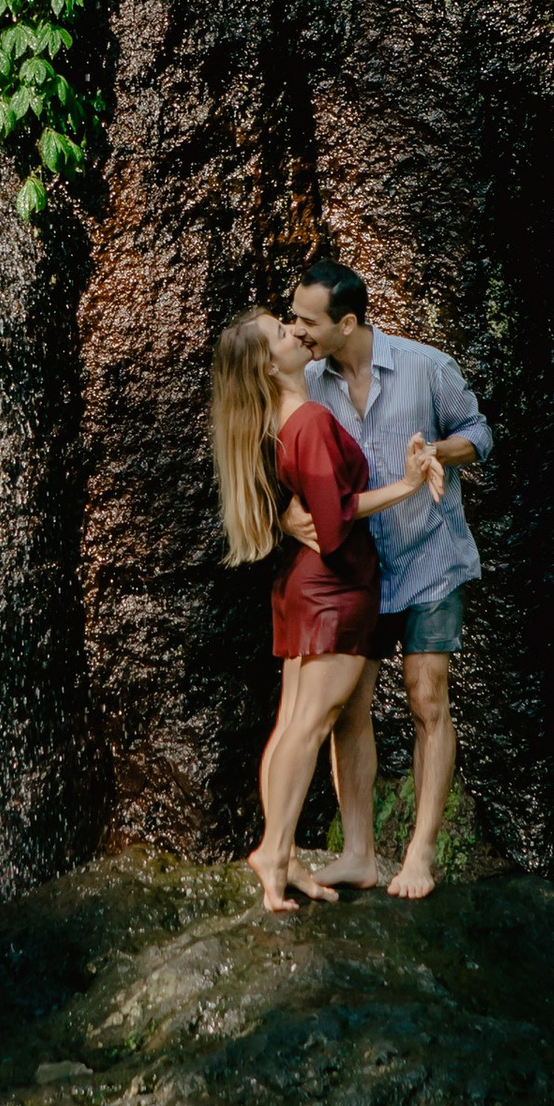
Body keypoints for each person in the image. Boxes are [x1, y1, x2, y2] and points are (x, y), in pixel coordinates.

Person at [208, 308, 436, 918]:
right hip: (333, 588)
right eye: (281, 334)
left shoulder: (285, 419)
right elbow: (334, 527)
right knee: (307, 726)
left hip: (312, 588)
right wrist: (408, 485)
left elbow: (313, 505)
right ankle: (275, 851)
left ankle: (302, 854)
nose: (294, 333)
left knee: (310, 721)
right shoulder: (307, 419)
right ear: (267, 364)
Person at [285, 258, 492, 901]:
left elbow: (479, 432)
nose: (296, 331)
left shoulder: (425, 366)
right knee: (347, 706)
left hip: (430, 555)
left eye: (307, 321)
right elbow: (287, 469)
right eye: (292, 318)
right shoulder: (308, 385)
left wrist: (435, 452)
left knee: (426, 695)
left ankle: (421, 854)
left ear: (347, 323)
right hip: (356, 567)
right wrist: (288, 517)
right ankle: (358, 854)